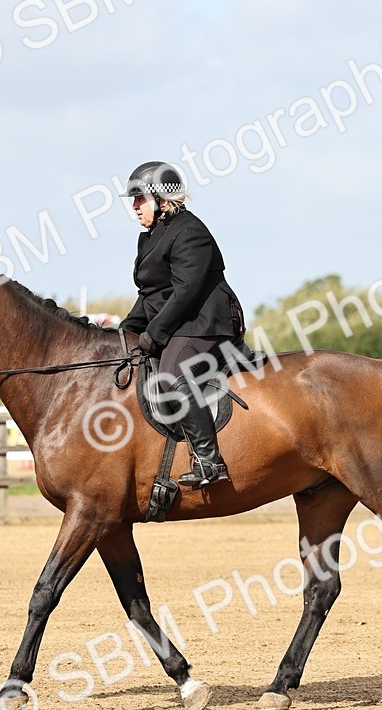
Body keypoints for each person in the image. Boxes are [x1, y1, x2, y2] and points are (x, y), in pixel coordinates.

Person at [119, 160, 246, 488]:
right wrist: (125, 331)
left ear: (162, 200)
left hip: (208, 322)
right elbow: (150, 294)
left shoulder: (190, 231)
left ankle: (208, 461)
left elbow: (185, 292)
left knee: (172, 375)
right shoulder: (148, 239)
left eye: (139, 199)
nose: (134, 207)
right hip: (182, 322)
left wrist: (154, 332)